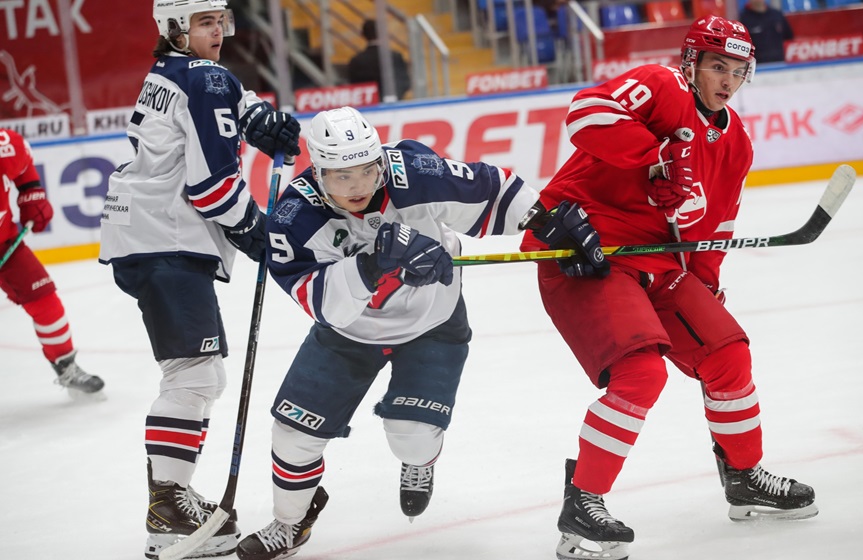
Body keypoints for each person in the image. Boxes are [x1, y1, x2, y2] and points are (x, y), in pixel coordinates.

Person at [233, 106, 603, 560]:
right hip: (349, 332)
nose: (358, 186)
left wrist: (546, 223)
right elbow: (322, 303)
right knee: (293, 435)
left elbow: (490, 189)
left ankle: (420, 461)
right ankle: (290, 523)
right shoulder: (293, 217)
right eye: (342, 177)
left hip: (434, 320)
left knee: (410, 433)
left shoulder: (412, 171)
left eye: (367, 171)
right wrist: (374, 262)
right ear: (319, 173)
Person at [519, 16, 818, 560]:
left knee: (728, 355)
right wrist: (654, 155)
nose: (727, 80)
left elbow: (716, 225)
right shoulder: (660, 85)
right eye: (717, 66)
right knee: (641, 372)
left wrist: (706, 285)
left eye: (738, 71)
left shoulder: (736, 143)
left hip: (659, 262)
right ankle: (583, 505)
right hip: (589, 250)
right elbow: (585, 113)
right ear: (691, 63)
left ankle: (744, 476)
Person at [97, 1, 301, 558]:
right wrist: (257, 231)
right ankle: (167, 509)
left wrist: (257, 118)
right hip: (165, 239)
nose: (218, 32)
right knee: (193, 375)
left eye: (221, 20)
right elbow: (211, 188)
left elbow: (221, 99)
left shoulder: (170, 71)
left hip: (148, 235)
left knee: (199, 373)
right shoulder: (206, 77)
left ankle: (171, 500)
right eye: (204, 22)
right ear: (174, 28)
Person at [0, 128, 105, 397]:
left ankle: (66, 366)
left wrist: (31, 193)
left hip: (5, 243)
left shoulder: (5, 145)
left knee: (46, 302)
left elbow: (23, 163)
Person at [347, 19, 411, 102]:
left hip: (368, 106)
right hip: (394, 104)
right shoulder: (395, 56)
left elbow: (354, 88)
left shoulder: (356, 61)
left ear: (362, 34)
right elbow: (405, 83)